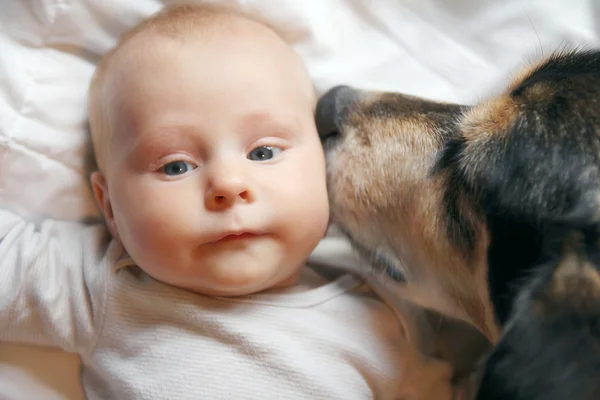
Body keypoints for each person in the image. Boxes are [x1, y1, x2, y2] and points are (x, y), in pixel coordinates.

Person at [0, 3, 455, 399]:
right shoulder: (105, 283)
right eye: (176, 166)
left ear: (324, 160)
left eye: (263, 152)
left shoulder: (380, 308)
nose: (228, 185)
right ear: (111, 207)